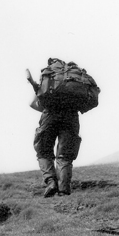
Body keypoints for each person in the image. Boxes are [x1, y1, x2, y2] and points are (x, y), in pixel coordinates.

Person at [32, 58, 83, 198]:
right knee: (65, 155)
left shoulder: (49, 74)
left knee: (43, 150)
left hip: (50, 115)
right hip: (71, 116)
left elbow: (38, 99)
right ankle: (64, 190)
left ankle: (51, 182)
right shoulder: (75, 76)